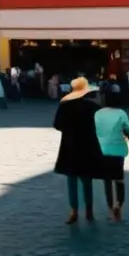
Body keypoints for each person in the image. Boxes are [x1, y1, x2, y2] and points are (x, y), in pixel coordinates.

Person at [53, 77, 107, 225]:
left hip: (70, 146)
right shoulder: (92, 107)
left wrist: (69, 129)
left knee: (72, 180)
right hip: (88, 146)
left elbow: (57, 124)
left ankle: (74, 211)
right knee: (87, 179)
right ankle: (89, 211)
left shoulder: (65, 106)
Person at [94, 88, 129, 221]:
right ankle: (118, 204)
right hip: (118, 150)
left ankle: (110, 208)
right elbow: (127, 131)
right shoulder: (121, 113)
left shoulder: (98, 113)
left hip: (101, 150)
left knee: (107, 181)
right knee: (119, 179)